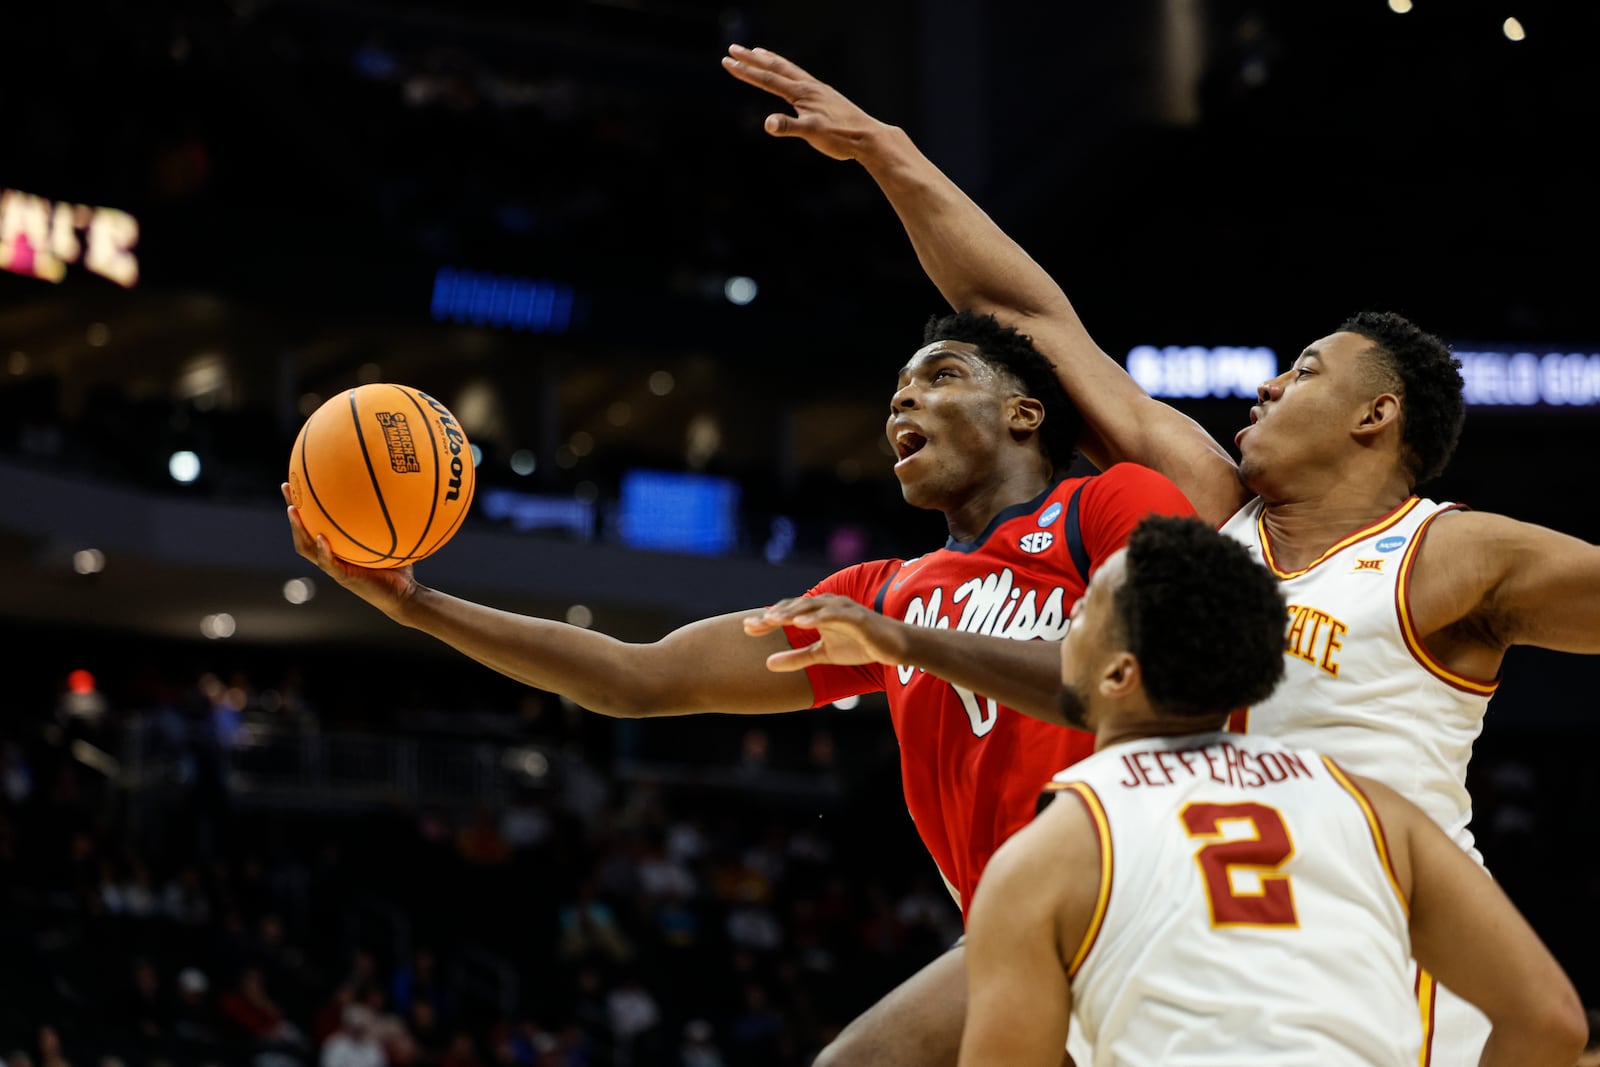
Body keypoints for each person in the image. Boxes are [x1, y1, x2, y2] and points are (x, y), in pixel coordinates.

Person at [720, 44, 1600, 1064]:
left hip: (1382, 954)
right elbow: (1029, 324)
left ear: (1376, 413)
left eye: (1304, 370)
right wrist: (890, 155)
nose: (1266, 387)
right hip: (1188, 923)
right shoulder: (1205, 516)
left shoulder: (1443, 552)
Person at [285, 310, 1195, 1066]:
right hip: (1013, 930)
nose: (904, 401)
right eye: (897, 394)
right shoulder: (880, 594)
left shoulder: (1104, 505)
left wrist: (909, 641)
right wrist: (420, 606)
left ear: (1026, 413)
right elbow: (638, 677)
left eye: (941, 375)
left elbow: (1132, 680)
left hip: (1137, 883)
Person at [956, 514, 1585, 1067]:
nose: (1069, 616)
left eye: (1087, 605)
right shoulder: (1372, 807)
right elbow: (1551, 1022)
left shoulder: (1050, 852)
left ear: (1121, 671)